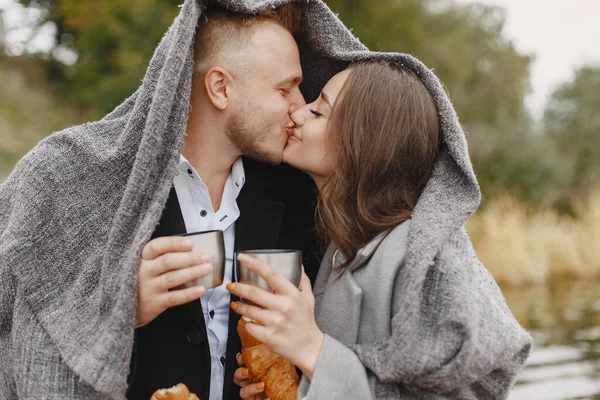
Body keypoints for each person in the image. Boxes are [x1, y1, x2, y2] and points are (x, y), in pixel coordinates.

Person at [228, 60, 533, 399]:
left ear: (364, 140)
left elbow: (456, 390)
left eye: (319, 112)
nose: (298, 113)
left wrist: (311, 348)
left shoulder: (424, 257)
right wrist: (294, 385)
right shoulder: (342, 248)